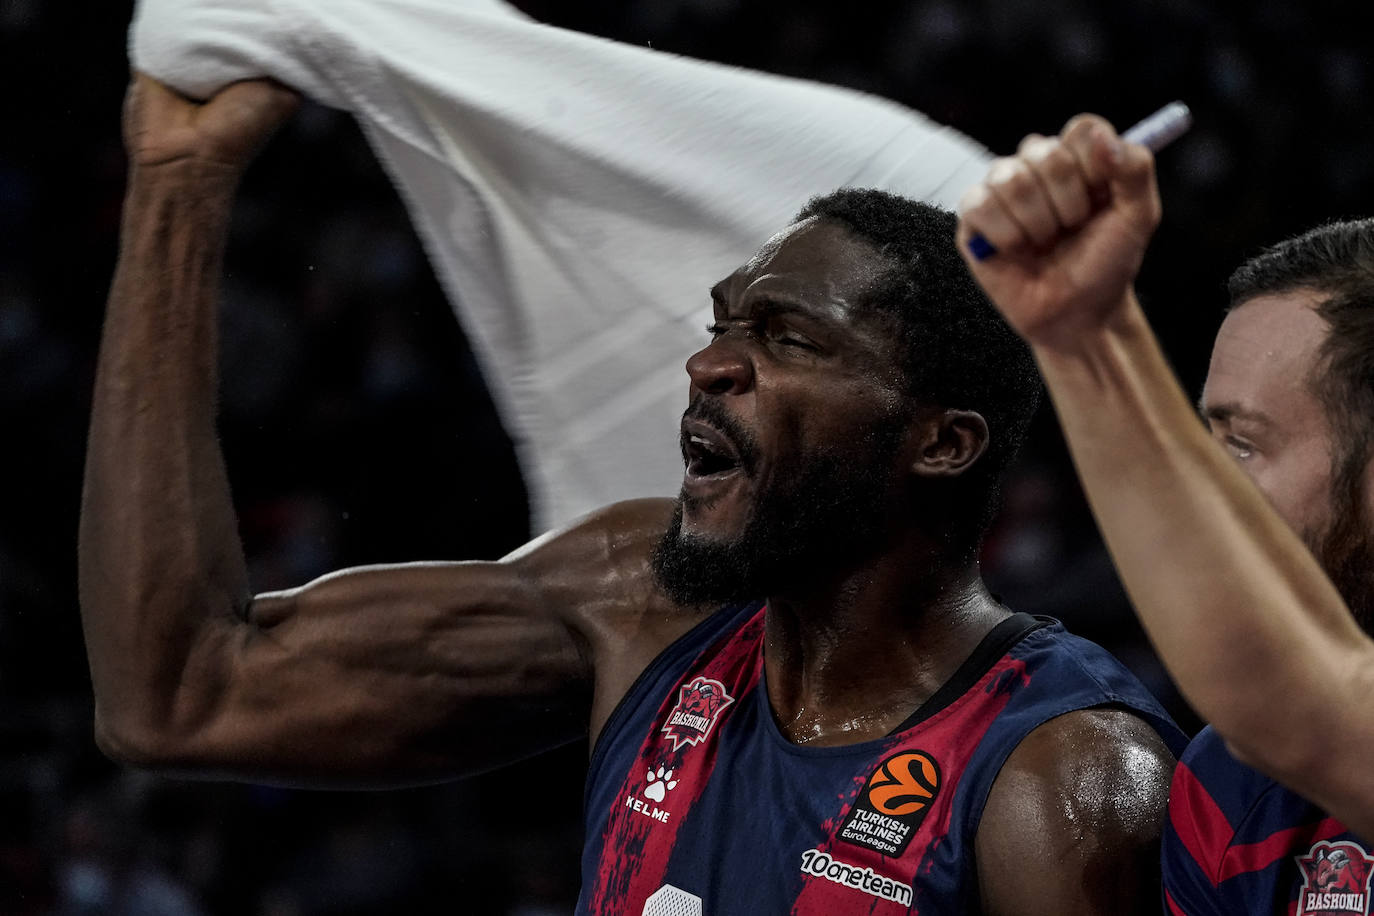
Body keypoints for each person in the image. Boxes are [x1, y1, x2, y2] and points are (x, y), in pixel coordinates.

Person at [79, 75, 1184, 915]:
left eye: (788, 336)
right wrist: (176, 188)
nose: (710, 365)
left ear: (940, 444)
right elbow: (177, 690)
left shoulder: (1062, 773)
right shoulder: (639, 600)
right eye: (722, 326)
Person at [956, 114, 1374, 913]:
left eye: (1244, 447)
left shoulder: (1272, 726)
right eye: (1205, 444)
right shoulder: (1227, 781)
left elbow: (1291, 702)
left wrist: (1084, 328)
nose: (1208, 496)